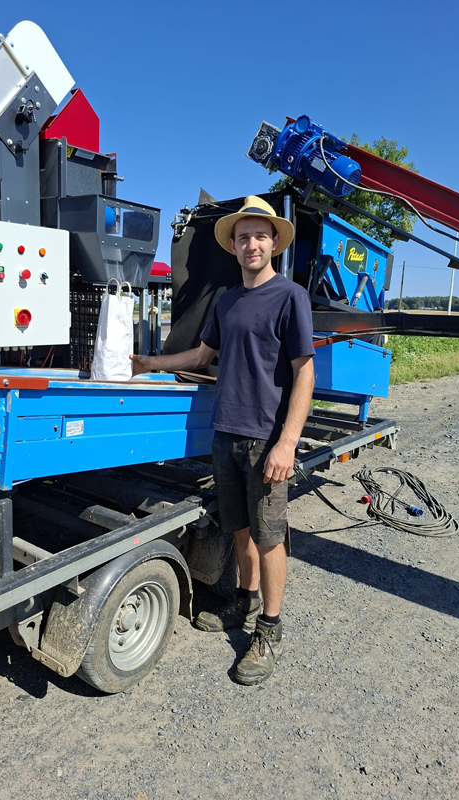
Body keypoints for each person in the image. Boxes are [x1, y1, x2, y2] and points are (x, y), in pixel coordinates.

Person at [131, 196, 315, 685]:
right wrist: (151, 364)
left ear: (273, 242)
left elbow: (304, 372)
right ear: (232, 246)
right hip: (226, 434)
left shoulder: (290, 296)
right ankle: (246, 601)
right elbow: (200, 355)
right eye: (243, 237)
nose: (251, 244)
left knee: (270, 537)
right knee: (238, 530)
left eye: (260, 236)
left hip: (265, 440)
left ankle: (270, 629)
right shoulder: (228, 300)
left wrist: (287, 442)